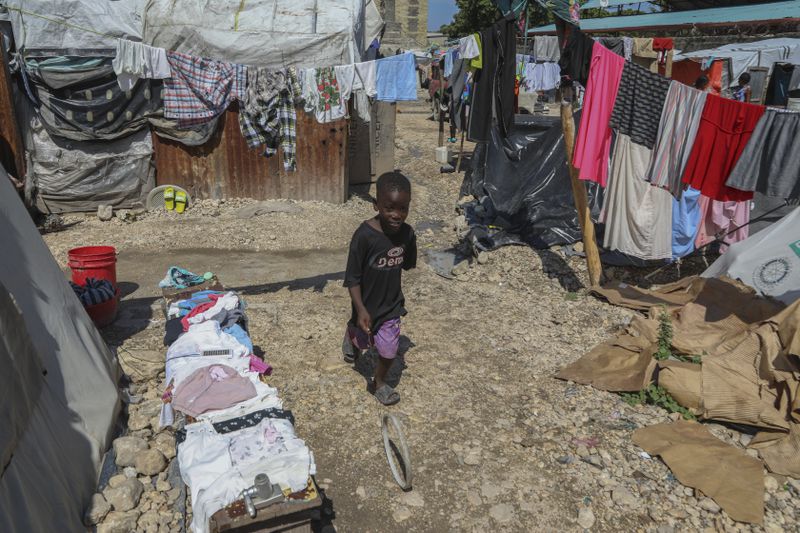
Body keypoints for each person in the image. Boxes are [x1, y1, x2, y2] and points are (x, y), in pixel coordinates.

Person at [342, 172, 417, 405]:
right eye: (389, 208)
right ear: (376, 205)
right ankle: (351, 334)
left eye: (402, 209)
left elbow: (408, 264)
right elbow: (352, 279)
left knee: (388, 350)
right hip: (365, 305)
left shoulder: (407, 234)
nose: (397, 215)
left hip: (392, 305)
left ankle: (379, 382)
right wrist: (361, 310)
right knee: (362, 339)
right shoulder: (364, 236)